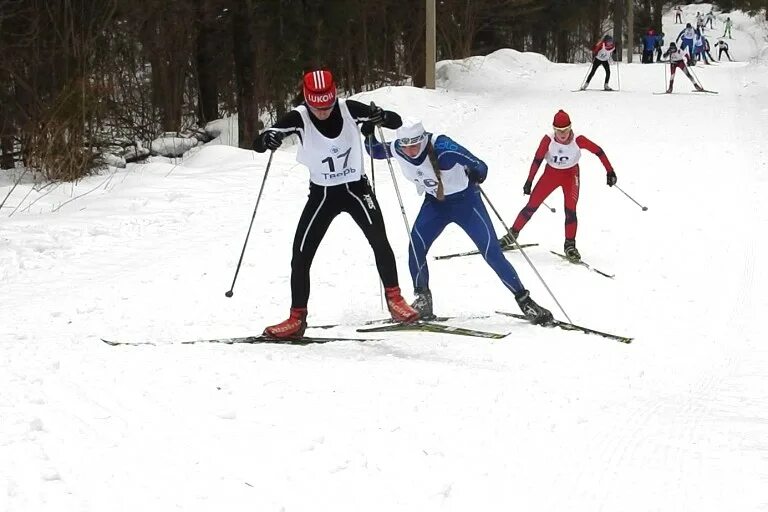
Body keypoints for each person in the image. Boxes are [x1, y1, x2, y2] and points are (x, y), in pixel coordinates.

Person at [251, 69, 418, 338]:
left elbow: (395, 121)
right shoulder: (299, 116)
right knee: (301, 255)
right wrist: (267, 139)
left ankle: (395, 300)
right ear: (307, 100)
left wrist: (381, 117)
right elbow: (262, 141)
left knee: (380, 240)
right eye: (317, 107)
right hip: (323, 196)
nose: (323, 112)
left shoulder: (349, 108)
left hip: (356, 189)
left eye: (327, 105)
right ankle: (296, 318)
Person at [363, 118, 553, 325]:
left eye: (415, 145)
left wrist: (475, 175)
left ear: (424, 140)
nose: (410, 151)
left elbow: (481, 167)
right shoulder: (399, 148)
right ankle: (423, 300)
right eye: (406, 146)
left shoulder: (444, 148)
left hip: (466, 203)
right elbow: (376, 151)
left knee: (491, 252)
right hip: (435, 204)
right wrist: (368, 133)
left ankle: (525, 301)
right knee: (416, 247)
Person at [498, 110, 616, 262]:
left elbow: (598, 151)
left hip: (571, 175)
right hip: (551, 175)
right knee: (532, 205)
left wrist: (610, 171)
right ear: (554, 129)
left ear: (570, 128)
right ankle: (512, 234)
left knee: (570, 210)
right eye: (559, 130)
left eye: (566, 130)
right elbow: (537, 160)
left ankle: (570, 245)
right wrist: (529, 181)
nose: (562, 134)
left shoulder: (578, 139)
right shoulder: (548, 140)